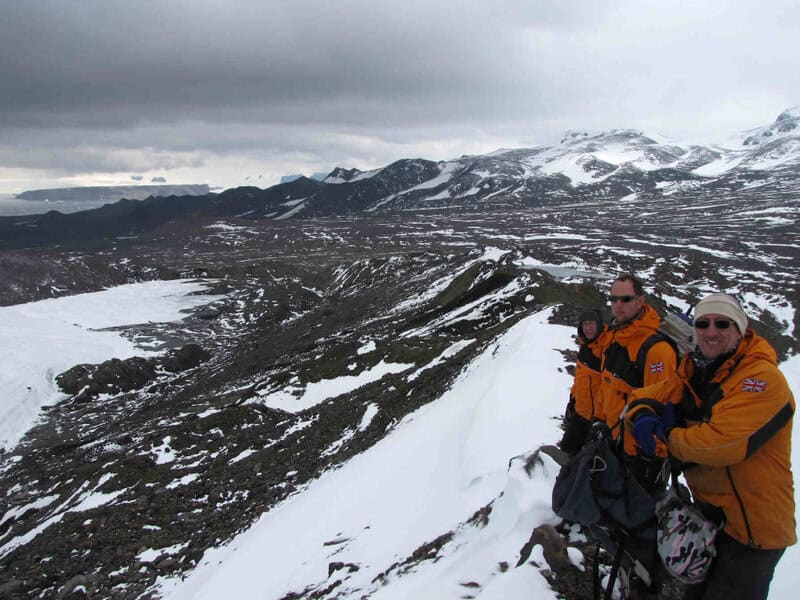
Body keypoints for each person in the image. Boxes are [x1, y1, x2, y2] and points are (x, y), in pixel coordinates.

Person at [627, 292, 796, 599]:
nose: (711, 331)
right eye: (703, 323)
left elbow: (721, 445)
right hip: (708, 519)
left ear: (740, 329)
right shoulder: (696, 370)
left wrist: (668, 434)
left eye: (722, 323)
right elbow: (648, 395)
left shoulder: (760, 378)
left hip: (752, 531)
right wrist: (642, 414)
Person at [600, 273, 678, 489]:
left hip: (642, 456)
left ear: (641, 301)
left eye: (625, 299)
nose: (618, 305)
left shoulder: (656, 350)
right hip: (615, 442)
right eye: (613, 299)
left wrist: (654, 456)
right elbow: (606, 384)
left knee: (641, 516)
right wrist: (600, 421)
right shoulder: (614, 337)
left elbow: (663, 405)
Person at [558, 308, 609, 454]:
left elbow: (609, 386)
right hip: (581, 413)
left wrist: (601, 419)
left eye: (591, 323)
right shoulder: (585, 347)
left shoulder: (607, 348)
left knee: (592, 463)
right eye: (585, 324)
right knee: (567, 450)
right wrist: (573, 400)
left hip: (598, 419)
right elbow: (580, 378)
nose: (588, 328)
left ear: (599, 324)